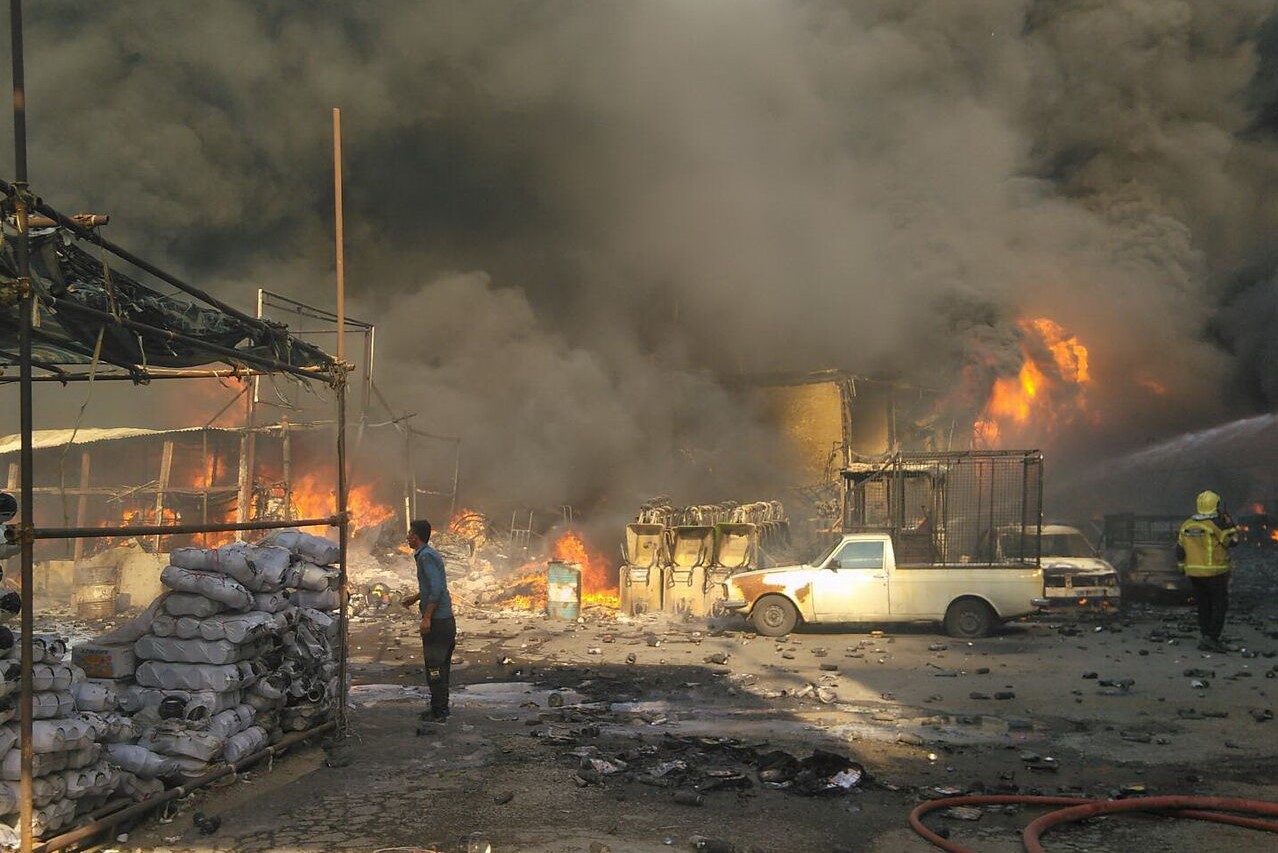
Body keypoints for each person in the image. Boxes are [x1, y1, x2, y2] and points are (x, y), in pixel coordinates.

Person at [401, 519, 455, 721]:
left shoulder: (426, 558)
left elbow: (436, 589)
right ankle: (440, 706)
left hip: (439, 623)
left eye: (409, 533)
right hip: (444, 621)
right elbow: (433, 586)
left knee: (434, 666)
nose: (407, 537)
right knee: (440, 666)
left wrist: (427, 618)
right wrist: (415, 598)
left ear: (415, 536)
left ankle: (439, 711)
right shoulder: (427, 554)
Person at [1177, 490, 1239, 653]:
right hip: (1215, 573)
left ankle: (1205, 636)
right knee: (1220, 605)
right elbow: (1233, 542)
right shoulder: (1216, 524)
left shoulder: (1187, 524)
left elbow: (1179, 549)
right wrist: (1229, 524)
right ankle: (1212, 638)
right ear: (1215, 506)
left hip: (1194, 574)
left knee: (1204, 605)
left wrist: (1181, 566)